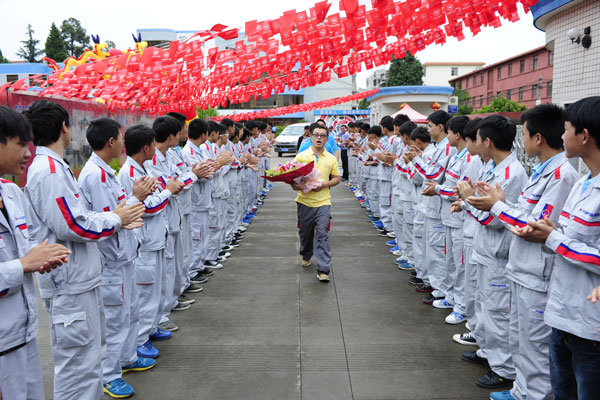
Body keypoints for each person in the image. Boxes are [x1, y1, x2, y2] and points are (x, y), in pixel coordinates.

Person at [23, 100, 144, 400]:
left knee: (89, 362)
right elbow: (73, 224)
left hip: (79, 280)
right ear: (64, 127)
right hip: (69, 284)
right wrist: (116, 218)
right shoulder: (49, 170)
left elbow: (76, 218)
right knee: (77, 367)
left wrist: (112, 217)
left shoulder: (55, 167)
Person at [466, 104, 579, 400]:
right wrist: (501, 205)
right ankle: (521, 391)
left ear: (538, 138)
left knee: (536, 348)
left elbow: (533, 226)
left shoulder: (561, 175)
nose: (522, 141)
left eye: (525, 134)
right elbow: (522, 213)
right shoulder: (541, 171)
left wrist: (497, 206)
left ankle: (535, 394)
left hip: (536, 273)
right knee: (520, 339)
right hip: (521, 268)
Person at [513, 96, 600, 400]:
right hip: (562, 310)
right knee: (562, 388)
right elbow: (562, 231)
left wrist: (551, 237)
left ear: (584, 136)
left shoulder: (569, 176)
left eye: (566, 130)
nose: (562, 137)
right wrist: (550, 232)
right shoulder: (584, 183)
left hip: (589, 321)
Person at [78, 118, 157, 398]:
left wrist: (130, 206)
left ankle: (127, 358)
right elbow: (108, 220)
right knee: (114, 321)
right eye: (120, 138)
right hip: (112, 261)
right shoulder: (95, 176)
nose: (123, 143)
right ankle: (109, 375)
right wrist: (135, 201)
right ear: (111, 142)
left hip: (124, 256)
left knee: (130, 313)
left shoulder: (105, 172)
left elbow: (116, 211)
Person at [0, 105, 70, 400]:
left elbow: (24, 245)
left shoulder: (13, 193)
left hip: (25, 333)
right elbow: (21, 261)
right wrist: (24, 265)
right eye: (20, 144)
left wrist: (40, 258)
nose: (29, 153)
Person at [456, 115, 528, 390]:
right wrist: (467, 202)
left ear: (487, 141)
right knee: (485, 306)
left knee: (498, 312)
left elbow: (495, 218)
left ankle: (503, 369)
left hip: (498, 253)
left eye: (476, 139)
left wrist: (466, 200)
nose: (474, 144)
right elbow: (481, 205)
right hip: (485, 250)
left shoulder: (512, 174)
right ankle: (488, 352)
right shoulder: (494, 168)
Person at [118, 125, 182, 354]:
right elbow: (147, 207)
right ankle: (141, 339)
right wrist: (168, 191)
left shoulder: (143, 169)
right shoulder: (128, 174)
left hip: (155, 238)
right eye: (154, 144)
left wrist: (166, 191)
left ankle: (151, 327)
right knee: (145, 293)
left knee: (157, 288)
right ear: (146, 148)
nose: (156, 148)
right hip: (144, 242)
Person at [421, 115, 470, 323]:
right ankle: (451, 297)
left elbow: (461, 190)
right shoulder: (457, 155)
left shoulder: (468, 159)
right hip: (449, 216)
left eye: (448, 132)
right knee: (450, 260)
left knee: (460, 265)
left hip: (458, 219)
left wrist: (438, 189)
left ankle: (460, 305)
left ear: (456, 134)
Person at [293, 122, 341, 282]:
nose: (319, 138)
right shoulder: (302, 156)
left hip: (323, 202)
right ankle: (306, 254)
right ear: (310, 136)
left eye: (322, 135)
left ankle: (323, 269)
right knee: (305, 233)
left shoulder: (331, 158)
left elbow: (336, 178)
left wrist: (324, 185)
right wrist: (297, 185)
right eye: (316, 135)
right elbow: (293, 180)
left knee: (322, 234)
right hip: (304, 201)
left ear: (327, 138)